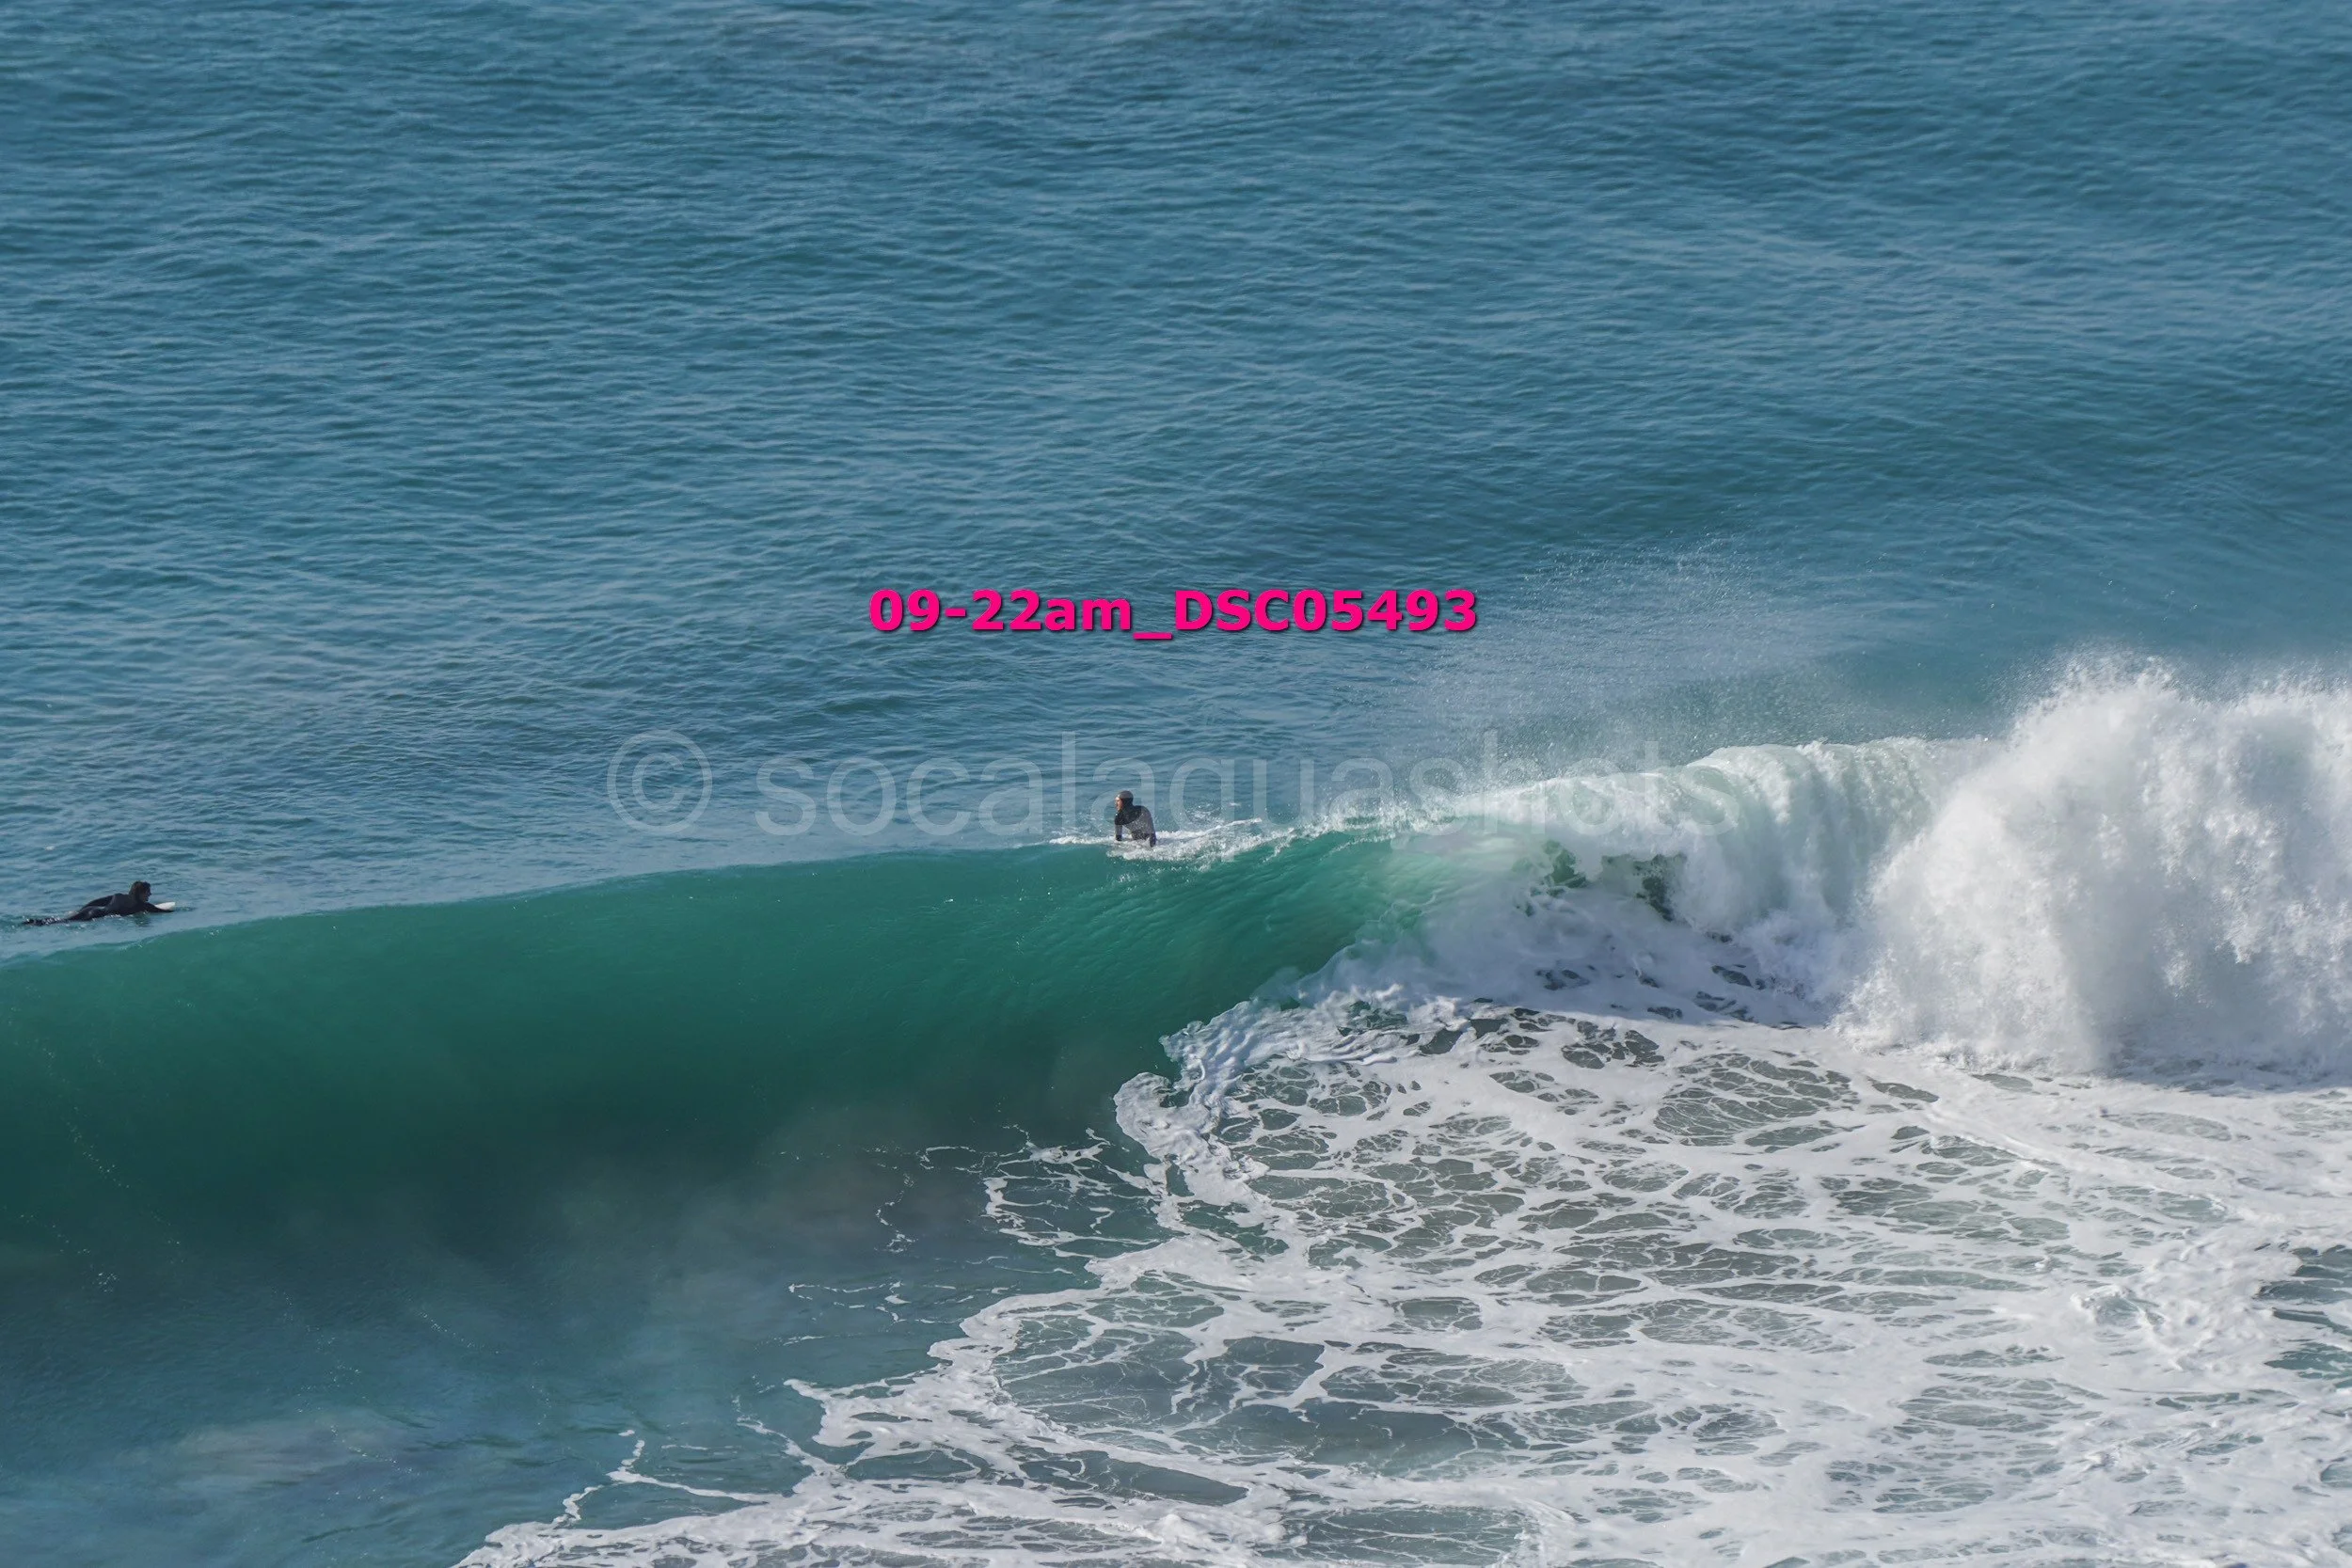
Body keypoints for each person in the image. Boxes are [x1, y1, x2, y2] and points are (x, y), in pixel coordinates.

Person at [24, 881, 173, 927]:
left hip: (92, 909)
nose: (150, 895)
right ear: (141, 893)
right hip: (97, 915)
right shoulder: (142, 906)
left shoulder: (118, 895)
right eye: (148, 892)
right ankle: (36, 923)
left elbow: (97, 901)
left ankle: (35, 922)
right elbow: (161, 912)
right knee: (63, 923)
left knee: (63, 921)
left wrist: (80, 909)